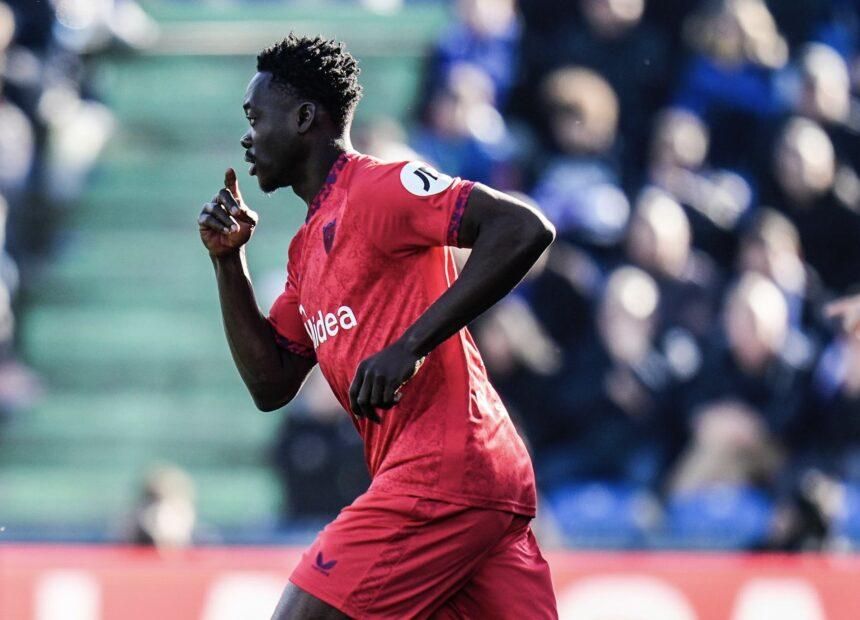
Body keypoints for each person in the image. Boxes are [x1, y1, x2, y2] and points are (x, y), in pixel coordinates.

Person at [197, 35, 557, 619]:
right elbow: (272, 382)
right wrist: (227, 261)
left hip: (443, 471)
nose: (247, 136)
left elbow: (523, 227)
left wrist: (411, 345)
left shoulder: (380, 188)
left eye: (255, 118)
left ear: (304, 118)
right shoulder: (307, 251)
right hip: (475, 485)